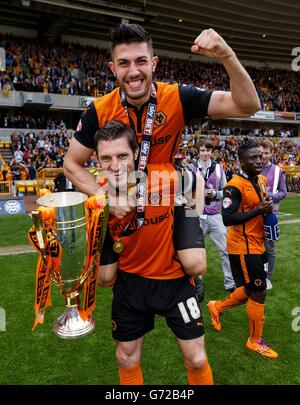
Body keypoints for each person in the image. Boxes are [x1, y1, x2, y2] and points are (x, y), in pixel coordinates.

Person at [63, 20, 260, 291]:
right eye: (124, 63)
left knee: (194, 263)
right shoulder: (99, 109)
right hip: (122, 193)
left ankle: (186, 272)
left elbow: (249, 106)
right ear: (113, 68)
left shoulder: (178, 97)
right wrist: (105, 198)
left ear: (154, 64)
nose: (133, 71)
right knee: (106, 278)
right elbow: (71, 163)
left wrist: (227, 56)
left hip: (171, 189)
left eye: (141, 61)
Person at [95, 120, 211, 385]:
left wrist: (192, 219)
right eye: (106, 158)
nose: (115, 165)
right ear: (97, 158)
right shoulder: (96, 190)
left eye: (122, 155)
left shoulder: (162, 177)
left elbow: (197, 181)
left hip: (174, 282)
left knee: (197, 359)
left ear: (136, 153)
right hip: (130, 283)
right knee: (126, 358)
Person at [207, 141, 278, 359]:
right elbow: (227, 219)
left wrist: (269, 219)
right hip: (243, 247)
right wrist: (259, 210)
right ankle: (255, 341)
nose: (259, 161)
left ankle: (216, 307)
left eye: (260, 157)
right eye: (253, 158)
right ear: (241, 161)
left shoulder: (263, 180)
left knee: (250, 289)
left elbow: (264, 207)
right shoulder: (233, 186)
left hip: (258, 244)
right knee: (259, 291)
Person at [190, 138, 235, 292]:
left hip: (216, 215)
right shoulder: (190, 167)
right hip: (196, 215)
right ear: (198, 151)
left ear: (212, 151)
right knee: (195, 252)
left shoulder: (218, 168)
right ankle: (197, 284)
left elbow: (226, 191)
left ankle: (230, 282)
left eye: (208, 150)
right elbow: (184, 193)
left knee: (226, 250)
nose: (205, 153)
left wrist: (215, 193)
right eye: (202, 150)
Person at [259, 139, 287, 290]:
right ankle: (258, 274)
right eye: (261, 153)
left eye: (266, 153)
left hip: (270, 214)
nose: (263, 156)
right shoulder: (252, 167)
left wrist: (269, 196)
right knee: (255, 246)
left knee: (269, 248)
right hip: (254, 213)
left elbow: (283, 193)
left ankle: (268, 277)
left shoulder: (277, 171)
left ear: (271, 153)